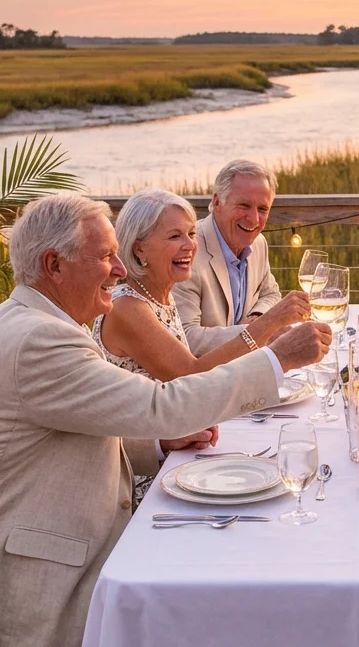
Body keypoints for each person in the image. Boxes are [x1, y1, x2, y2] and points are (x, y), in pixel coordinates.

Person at [0, 194, 331, 647]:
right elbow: (164, 403)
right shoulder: (38, 341)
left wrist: (159, 445)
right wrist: (274, 359)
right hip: (30, 578)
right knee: (221, 600)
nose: (120, 270)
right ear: (54, 265)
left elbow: (78, 427)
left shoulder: (40, 321)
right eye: (105, 257)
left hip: (64, 538)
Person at [93, 188, 307, 505]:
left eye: (192, 233)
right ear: (140, 250)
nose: (190, 245)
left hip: (175, 460)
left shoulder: (160, 298)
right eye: (175, 236)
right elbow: (191, 376)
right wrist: (270, 326)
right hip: (142, 484)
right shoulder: (128, 309)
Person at [174, 159, 303, 355]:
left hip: (246, 365)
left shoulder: (258, 242)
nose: (254, 219)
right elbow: (187, 338)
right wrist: (262, 329)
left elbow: (271, 294)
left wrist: (257, 316)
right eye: (244, 205)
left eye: (262, 209)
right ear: (217, 202)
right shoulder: (188, 251)